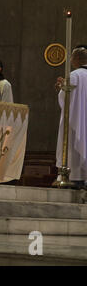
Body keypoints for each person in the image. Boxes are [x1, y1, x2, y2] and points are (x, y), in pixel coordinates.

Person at [55, 46, 87, 188]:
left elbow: (64, 100)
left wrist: (62, 88)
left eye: (72, 57)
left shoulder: (73, 75)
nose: (71, 60)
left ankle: (75, 178)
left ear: (78, 59)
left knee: (74, 149)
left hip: (76, 122)